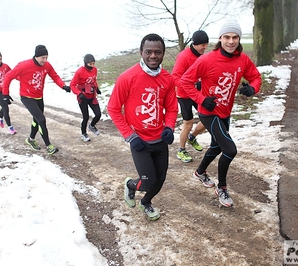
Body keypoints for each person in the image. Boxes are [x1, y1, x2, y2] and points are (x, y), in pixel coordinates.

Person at [180, 20, 262, 207]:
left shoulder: (242, 60)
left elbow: (255, 77)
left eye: (234, 37)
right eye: (227, 37)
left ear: (239, 39)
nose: (231, 41)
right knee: (230, 149)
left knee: (217, 146)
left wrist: (252, 89)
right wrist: (201, 99)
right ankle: (222, 188)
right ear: (220, 38)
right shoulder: (206, 60)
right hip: (209, 113)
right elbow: (184, 82)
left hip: (225, 112)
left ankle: (200, 172)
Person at [107, 33, 178, 221]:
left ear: (163, 54)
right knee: (148, 181)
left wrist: (169, 127)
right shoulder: (127, 77)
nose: (153, 56)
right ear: (141, 52)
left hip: (159, 140)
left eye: (158, 52)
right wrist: (130, 136)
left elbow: (171, 109)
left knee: (160, 181)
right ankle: (131, 185)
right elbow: (113, 108)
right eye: (148, 52)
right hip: (139, 141)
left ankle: (146, 202)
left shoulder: (167, 79)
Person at [2, 45, 71, 155]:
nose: (45, 60)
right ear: (36, 56)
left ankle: (30, 139)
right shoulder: (24, 65)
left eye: (46, 57)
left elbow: (55, 76)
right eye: (43, 58)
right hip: (27, 97)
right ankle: (49, 146)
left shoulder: (47, 65)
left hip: (39, 97)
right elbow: (8, 76)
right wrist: (5, 94)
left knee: (36, 119)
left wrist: (63, 86)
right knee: (41, 120)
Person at [172, 30, 209, 163]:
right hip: (184, 95)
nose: (205, 48)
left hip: (198, 94)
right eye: (202, 45)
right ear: (195, 44)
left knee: (207, 118)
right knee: (188, 123)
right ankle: (181, 150)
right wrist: (192, 85)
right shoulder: (183, 57)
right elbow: (175, 77)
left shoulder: (203, 56)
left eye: (206, 44)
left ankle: (192, 137)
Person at [70, 54, 102, 142]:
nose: (92, 66)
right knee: (86, 117)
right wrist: (79, 93)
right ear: (85, 63)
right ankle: (84, 133)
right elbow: (72, 85)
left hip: (92, 96)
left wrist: (97, 88)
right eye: (90, 64)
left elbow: (94, 80)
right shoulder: (79, 72)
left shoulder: (95, 70)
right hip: (83, 98)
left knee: (98, 114)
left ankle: (92, 126)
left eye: (93, 63)